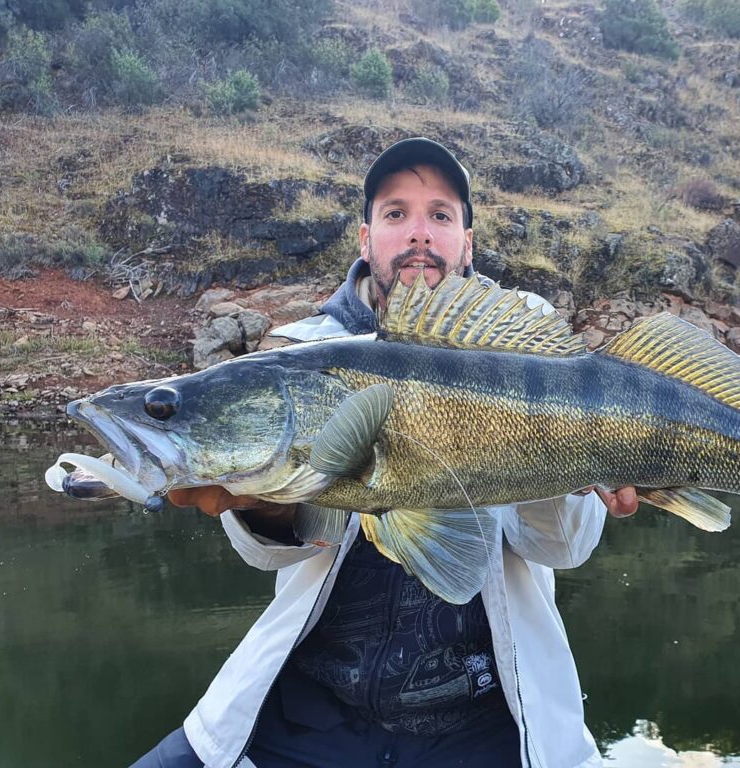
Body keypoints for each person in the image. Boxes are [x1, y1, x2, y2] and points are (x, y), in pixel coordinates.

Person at [134, 138, 638, 768]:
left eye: (441, 215)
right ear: (366, 239)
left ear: (467, 243)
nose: (419, 234)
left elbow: (563, 547)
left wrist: (557, 451)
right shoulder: (297, 354)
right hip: (305, 715)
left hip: (487, 724)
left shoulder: (528, 354)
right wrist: (262, 507)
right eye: (396, 214)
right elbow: (265, 555)